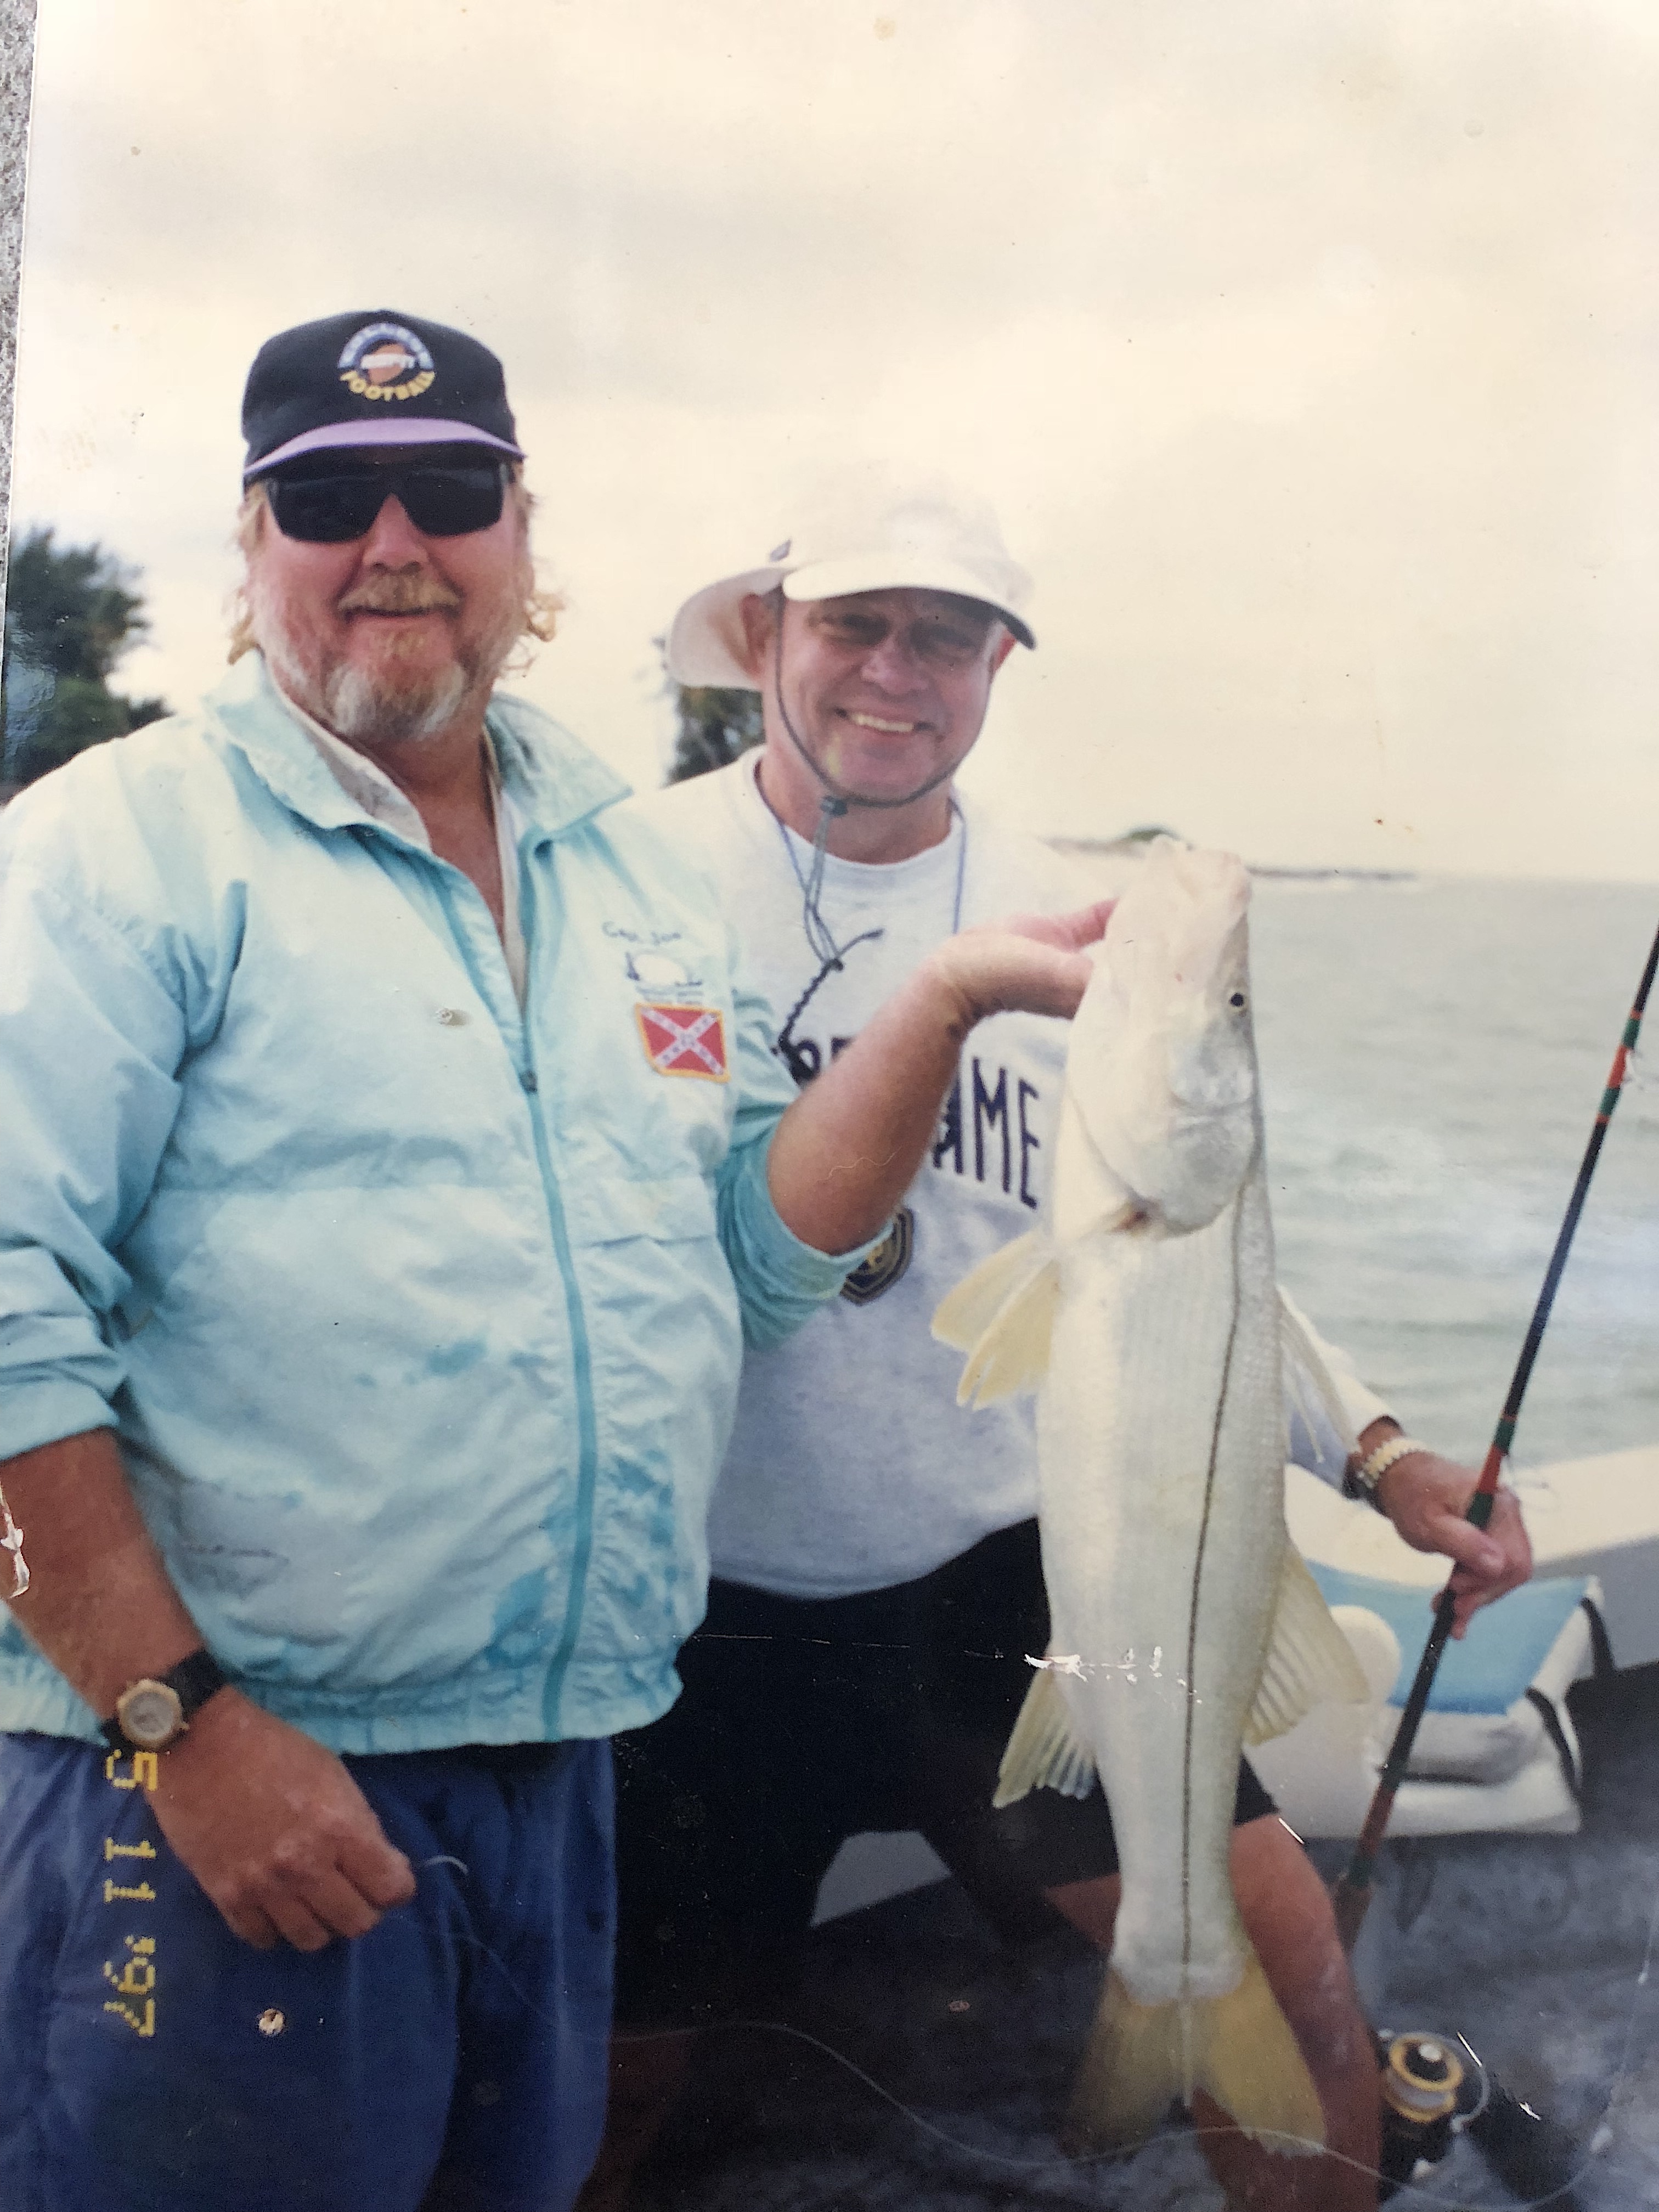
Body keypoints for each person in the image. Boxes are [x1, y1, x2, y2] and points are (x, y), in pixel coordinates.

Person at [0, 329, 1109, 2212]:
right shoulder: (119, 847)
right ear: (253, 541)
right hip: (223, 1785)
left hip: (563, 1770)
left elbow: (754, 1258)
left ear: (526, 533)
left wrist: (936, 995)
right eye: (331, 498)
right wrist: (177, 1726)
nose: (396, 542)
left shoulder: (632, 874)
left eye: (451, 491)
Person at [594, 481, 1536, 2212]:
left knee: (1292, 1977)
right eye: (854, 625)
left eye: (946, 636)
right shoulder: (616, 886)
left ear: (1001, 665)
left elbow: (1188, 1245)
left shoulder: (1079, 923)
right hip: (690, 1599)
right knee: (606, 2091)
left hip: (1008, 1576)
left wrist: (1386, 1452)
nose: (896, 671)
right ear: (763, 641)